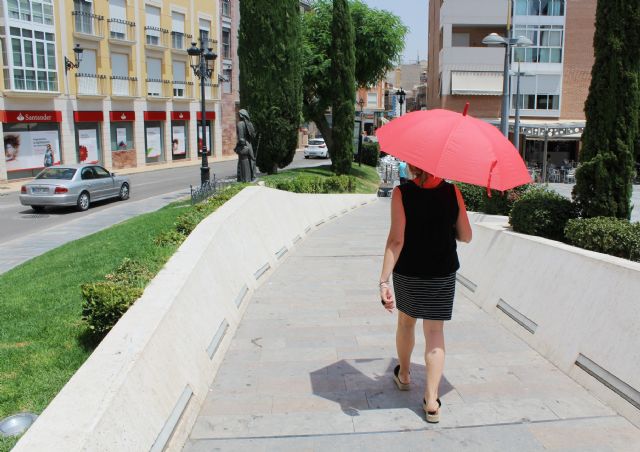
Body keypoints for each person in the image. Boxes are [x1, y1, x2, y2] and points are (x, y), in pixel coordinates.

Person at [379, 164, 472, 423]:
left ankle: (405, 375)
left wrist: (383, 280)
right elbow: (466, 236)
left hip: (408, 271)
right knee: (434, 332)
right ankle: (431, 401)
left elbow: (396, 240)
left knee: (406, 322)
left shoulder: (401, 193)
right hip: (442, 273)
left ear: (411, 165)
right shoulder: (453, 192)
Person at [234, 109, 257, 182]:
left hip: (243, 146)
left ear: (241, 115)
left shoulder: (240, 124)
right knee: (252, 160)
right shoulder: (249, 124)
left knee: (243, 162)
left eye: (238, 115)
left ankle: (243, 179)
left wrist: (238, 147)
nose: (238, 116)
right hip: (249, 145)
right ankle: (252, 176)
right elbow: (253, 136)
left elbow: (241, 138)